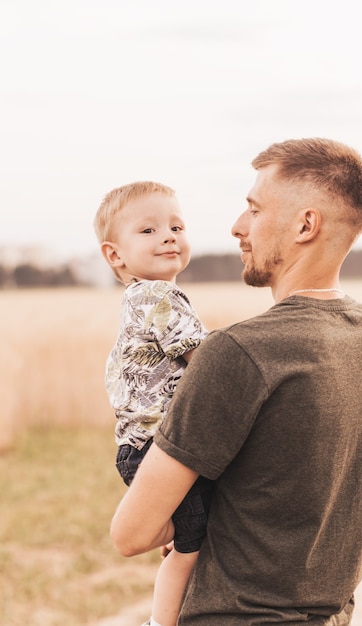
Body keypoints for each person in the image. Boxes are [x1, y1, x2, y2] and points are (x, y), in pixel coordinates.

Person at [110, 139, 362, 625]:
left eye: (254, 209)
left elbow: (131, 534)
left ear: (305, 225)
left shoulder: (237, 352)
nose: (237, 226)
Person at [94, 181, 212, 626]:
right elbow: (208, 362)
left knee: (194, 526)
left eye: (176, 226)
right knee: (191, 548)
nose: (168, 235)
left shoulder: (140, 298)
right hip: (157, 450)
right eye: (148, 230)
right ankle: (161, 623)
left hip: (139, 448)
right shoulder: (160, 296)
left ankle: (176, 527)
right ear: (114, 255)